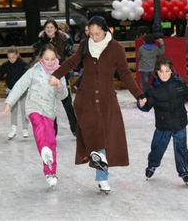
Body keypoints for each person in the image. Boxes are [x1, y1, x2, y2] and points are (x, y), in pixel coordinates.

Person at [49, 16, 144, 193]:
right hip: (86, 99)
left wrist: (138, 94)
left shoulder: (116, 48)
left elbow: (124, 73)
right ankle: (98, 163)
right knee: (96, 135)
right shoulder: (86, 45)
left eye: (97, 34)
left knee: (104, 138)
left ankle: (101, 177)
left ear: (106, 30)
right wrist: (56, 75)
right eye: (91, 34)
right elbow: (72, 61)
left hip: (107, 101)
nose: (94, 38)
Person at [0, 43, 68, 189]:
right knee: (38, 126)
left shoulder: (59, 72)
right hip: (34, 107)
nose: (49, 62)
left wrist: (59, 85)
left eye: (52, 59)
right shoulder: (33, 71)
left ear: (56, 58)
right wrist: (9, 103)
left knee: (51, 142)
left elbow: (64, 95)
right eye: (46, 59)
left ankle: (50, 173)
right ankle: (43, 148)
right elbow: (19, 86)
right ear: (41, 59)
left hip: (49, 111)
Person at [137, 57, 188, 185]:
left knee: (181, 148)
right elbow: (147, 106)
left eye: (167, 71)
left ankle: (185, 170)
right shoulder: (153, 90)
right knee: (157, 147)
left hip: (179, 123)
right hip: (163, 125)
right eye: (161, 71)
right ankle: (152, 164)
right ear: (156, 72)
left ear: (171, 71)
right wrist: (142, 104)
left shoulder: (179, 84)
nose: (164, 74)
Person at [30, 18, 77, 137]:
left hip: (61, 75)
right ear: (44, 29)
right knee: (50, 105)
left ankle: (74, 127)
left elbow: (71, 56)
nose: (49, 29)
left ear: (55, 29)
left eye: (51, 27)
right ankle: (53, 131)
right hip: (47, 77)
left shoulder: (64, 41)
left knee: (67, 103)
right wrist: (29, 71)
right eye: (47, 27)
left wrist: (71, 67)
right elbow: (35, 58)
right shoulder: (41, 43)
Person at [0, 46, 29, 140]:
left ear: (17, 55)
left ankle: (25, 128)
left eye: (13, 57)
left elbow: (29, 76)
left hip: (23, 90)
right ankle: (13, 127)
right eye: (9, 58)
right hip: (12, 89)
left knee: (24, 109)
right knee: (13, 109)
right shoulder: (6, 65)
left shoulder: (23, 64)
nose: (11, 59)